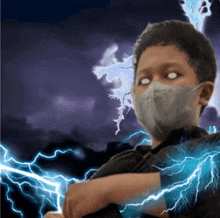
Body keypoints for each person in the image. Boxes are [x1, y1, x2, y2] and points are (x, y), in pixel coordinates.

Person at [44, 19, 220, 218]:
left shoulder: (211, 152)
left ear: (204, 92)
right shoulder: (121, 164)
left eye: (171, 75)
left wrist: (109, 190)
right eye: (144, 80)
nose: (154, 88)